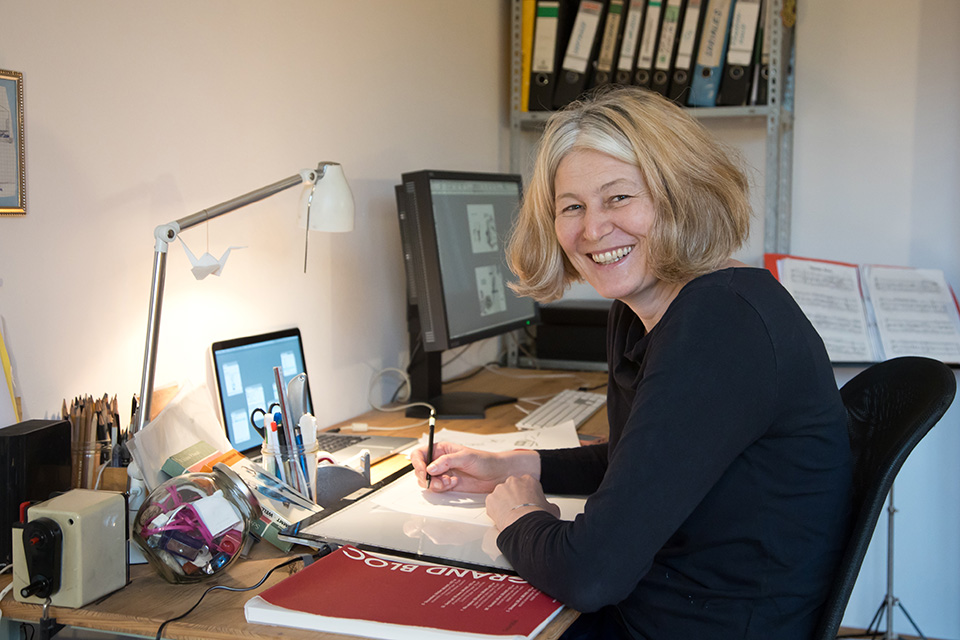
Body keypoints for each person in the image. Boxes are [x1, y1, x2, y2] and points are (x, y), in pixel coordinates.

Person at [410, 87, 853, 640]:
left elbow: (591, 574)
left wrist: (522, 520)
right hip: (667, 606)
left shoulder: (720, 325)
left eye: (618, 198)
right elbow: (639, 464)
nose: (593, 229)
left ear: (680, 195)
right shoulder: (644, 308)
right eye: (572, 206)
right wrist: (517, 466)